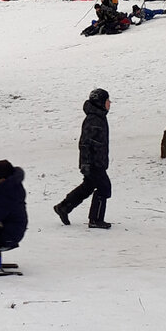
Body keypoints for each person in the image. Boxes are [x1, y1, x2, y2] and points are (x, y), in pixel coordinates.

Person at [53, 88, 113, 229]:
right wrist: (86, 163)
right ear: (100, 103)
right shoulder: (93, 119)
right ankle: (96, 219)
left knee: (88, 186)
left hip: (97, 161)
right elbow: (85, 143)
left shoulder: (99, 117)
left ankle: (64, 207)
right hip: (93, 163)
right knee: (104, 187)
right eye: (107, 101)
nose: (109, 103)